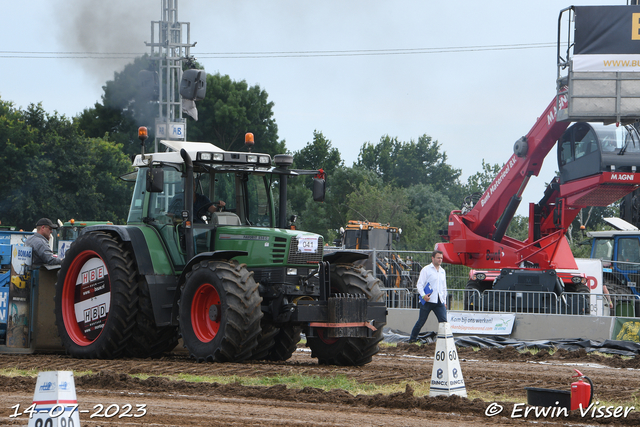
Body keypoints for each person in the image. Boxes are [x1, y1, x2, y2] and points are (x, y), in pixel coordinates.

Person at [408, 250, 447, 343]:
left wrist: (444, 301)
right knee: (421, 322)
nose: (440, 260)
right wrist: (423, 295)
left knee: (444, 322)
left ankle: (445, 341)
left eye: (441, 258)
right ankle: (412, 340)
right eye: (438, 258)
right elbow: (419, 284)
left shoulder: (442, 271)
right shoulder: (426, 269)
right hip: (427, 301)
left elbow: (444, 287)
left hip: (439, 301)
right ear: (432, 258)